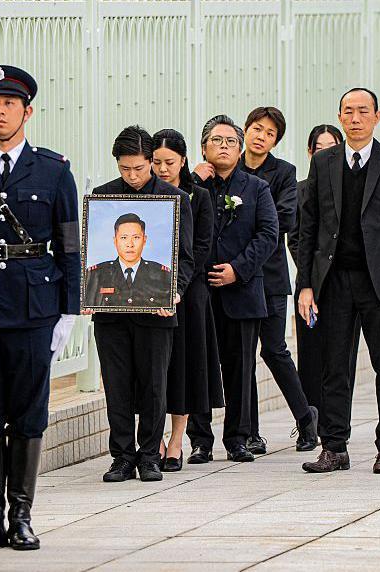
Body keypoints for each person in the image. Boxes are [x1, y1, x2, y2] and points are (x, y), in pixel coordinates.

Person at [0, 65, 80, 553]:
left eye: (8, 104)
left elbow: (69, 244)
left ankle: (22, 515)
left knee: (28, 412)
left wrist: (69, 310)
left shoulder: (53, 170)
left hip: (33, 305)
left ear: (27, 111)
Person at [297, 88, 380, 474]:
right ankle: (334, 446)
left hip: (378, 284)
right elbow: (309, 225)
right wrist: (306, 285)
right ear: (340, 115)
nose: (355, 118)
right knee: (334, 367)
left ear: (377, 116)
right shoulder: (325, 162)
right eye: (348, 111)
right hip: (334, 281)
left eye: (363, 111)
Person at [89, 125, 193, 483]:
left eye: (138, 168)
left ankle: (150, 455)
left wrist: (175, 290)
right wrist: (89, 293)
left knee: (153, 385)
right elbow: (91, 256)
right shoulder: (103, 198)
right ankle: (121, 456)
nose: (132, 176)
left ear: (152, 161)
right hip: (111, 315)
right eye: (124, 169)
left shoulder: (174, 199)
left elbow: (187, 258)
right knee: (117, 385)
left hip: (157, 309)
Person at [186, 115, 278, 465]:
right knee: (199, 366)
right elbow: (179, 226)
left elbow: (268, 234)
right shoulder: (192, 188)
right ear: (204, 148)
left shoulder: (256, 188)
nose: (223, 146)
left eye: (230, 141)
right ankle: (200, 440)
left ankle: (238, 438)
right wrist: (192, 180)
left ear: (240, 150)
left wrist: (237, 270)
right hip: (201, 294)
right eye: (216, 140)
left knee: (240, 369)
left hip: (241, 292)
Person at [238, 107, 318, 454]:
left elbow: (284, 219)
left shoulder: (284, 173)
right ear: (246, 130)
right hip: (235, 276)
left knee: (273, 349)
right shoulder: (227, 165)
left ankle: (305, 418)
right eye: (257, 129)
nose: (261, 136)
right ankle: (250, 432)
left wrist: (243, 222)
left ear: (275, 141)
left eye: (269, 133)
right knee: (242, 355)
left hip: (269, 276)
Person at [151, 128, 221, 472]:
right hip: (150, 290)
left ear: (183, 160)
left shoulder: (199, 196)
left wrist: (178, 285)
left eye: (170, 162)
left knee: (183, 367)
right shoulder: (144, 195)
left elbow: (203, 246)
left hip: (188, 294)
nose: (163, 169)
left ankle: (177, 440)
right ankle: (154, 440)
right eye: (157, 162)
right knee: (152, 368)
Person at [288, 125, 351, 417]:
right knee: (311, 353)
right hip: (311, 284)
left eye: (331, 147)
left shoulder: (349, 185)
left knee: (341, 354)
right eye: (319, 148)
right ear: (311, 153)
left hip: (344, 283)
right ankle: (310, 418)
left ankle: (337, 417)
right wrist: (311, 276)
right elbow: (297, 237)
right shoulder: (302, 189)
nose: (325, 153)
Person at [84, 213, 174, 307]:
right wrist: (84, 306)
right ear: (115, 241)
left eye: (136, 237)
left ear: (144, 240)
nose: (130, 244)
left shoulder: (162, 274)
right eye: (124, 237)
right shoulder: (96, 274)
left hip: (149, 321)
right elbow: (89, 301)